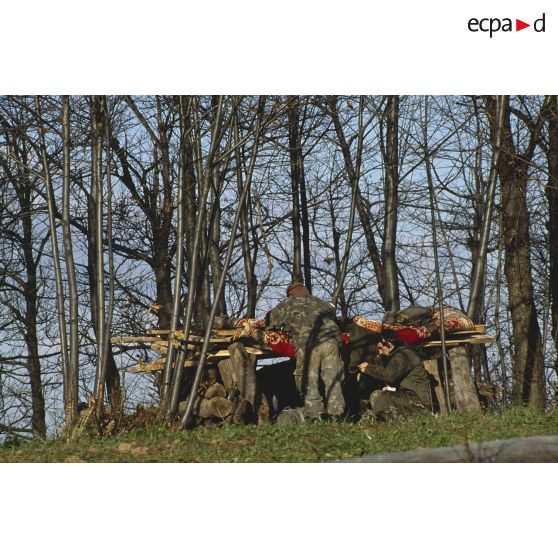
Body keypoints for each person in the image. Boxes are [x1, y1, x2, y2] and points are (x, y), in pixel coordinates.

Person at [266, 282, 345, 420]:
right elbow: (335, 318)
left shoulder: (288, 304)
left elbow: (269, 319)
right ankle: (336, 415)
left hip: (309, 345)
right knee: (333, 379)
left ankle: (316, 416)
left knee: (308, 381)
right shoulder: (321, 303)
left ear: (290, 294)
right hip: (331, 343)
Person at [358, 337, 432, 421]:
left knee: (382, 396)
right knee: (378, 395)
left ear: (389, 345)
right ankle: (386, 421)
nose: (380, 352)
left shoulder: (403, 356)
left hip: (418, 402)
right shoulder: (401, 354)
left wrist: (368, 368)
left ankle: (372, 420)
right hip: (408, 396)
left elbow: (389, 375)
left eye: (380, 348)